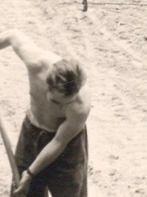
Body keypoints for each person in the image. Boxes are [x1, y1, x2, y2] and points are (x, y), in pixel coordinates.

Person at [0, 29, 91, 197]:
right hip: (31, 133)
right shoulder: (36, 63)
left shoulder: (80, 106)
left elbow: (58, 142)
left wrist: (30, 173)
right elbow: (12, 35)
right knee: (22, 193)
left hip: (67, 147)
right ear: (47, 82)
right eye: (56, 101)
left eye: (66, 103)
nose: (61, 107)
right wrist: (28, 176)